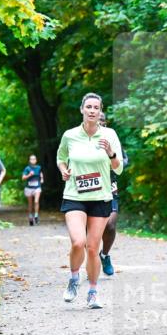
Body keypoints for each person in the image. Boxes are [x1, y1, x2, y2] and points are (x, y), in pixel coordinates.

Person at [56, 93, 123, 309]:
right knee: (78, 242)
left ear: (100, 111)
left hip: (100, 197)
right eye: (89, 107)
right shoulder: (70, 135)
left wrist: (111, 153)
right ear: (82, 110)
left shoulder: (109, 135)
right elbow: (60, 158)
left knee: (93, 248)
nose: (92, 110)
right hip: (75, 195)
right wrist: (64, 170)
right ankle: (74, 279)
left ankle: (93, 292)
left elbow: (119, 168)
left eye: (96, 107)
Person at [98, 113, 127, 276]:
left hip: (110, 184)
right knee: (91, 228)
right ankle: (92, 261)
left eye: (102, 120)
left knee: (109, 225)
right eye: (97, 120)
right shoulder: (84, 138)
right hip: (90, 187)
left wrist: (111, 155)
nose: (100, 123)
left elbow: (122, 162)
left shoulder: (112, 138)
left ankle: (104, 255)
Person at [21, 154, 44, 225]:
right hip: (29, 188)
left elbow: (41, 173)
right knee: (30, 204)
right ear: (29, 160)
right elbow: (23, 178)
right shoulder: (27, 168)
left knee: (36, 201)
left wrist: (42, 179)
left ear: (36, 160)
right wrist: (29, 175)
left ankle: (36, 215)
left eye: (34, 159)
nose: (33, 160)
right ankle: (30, 216)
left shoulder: (39, 167)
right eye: (31, 159)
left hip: (37, 187)